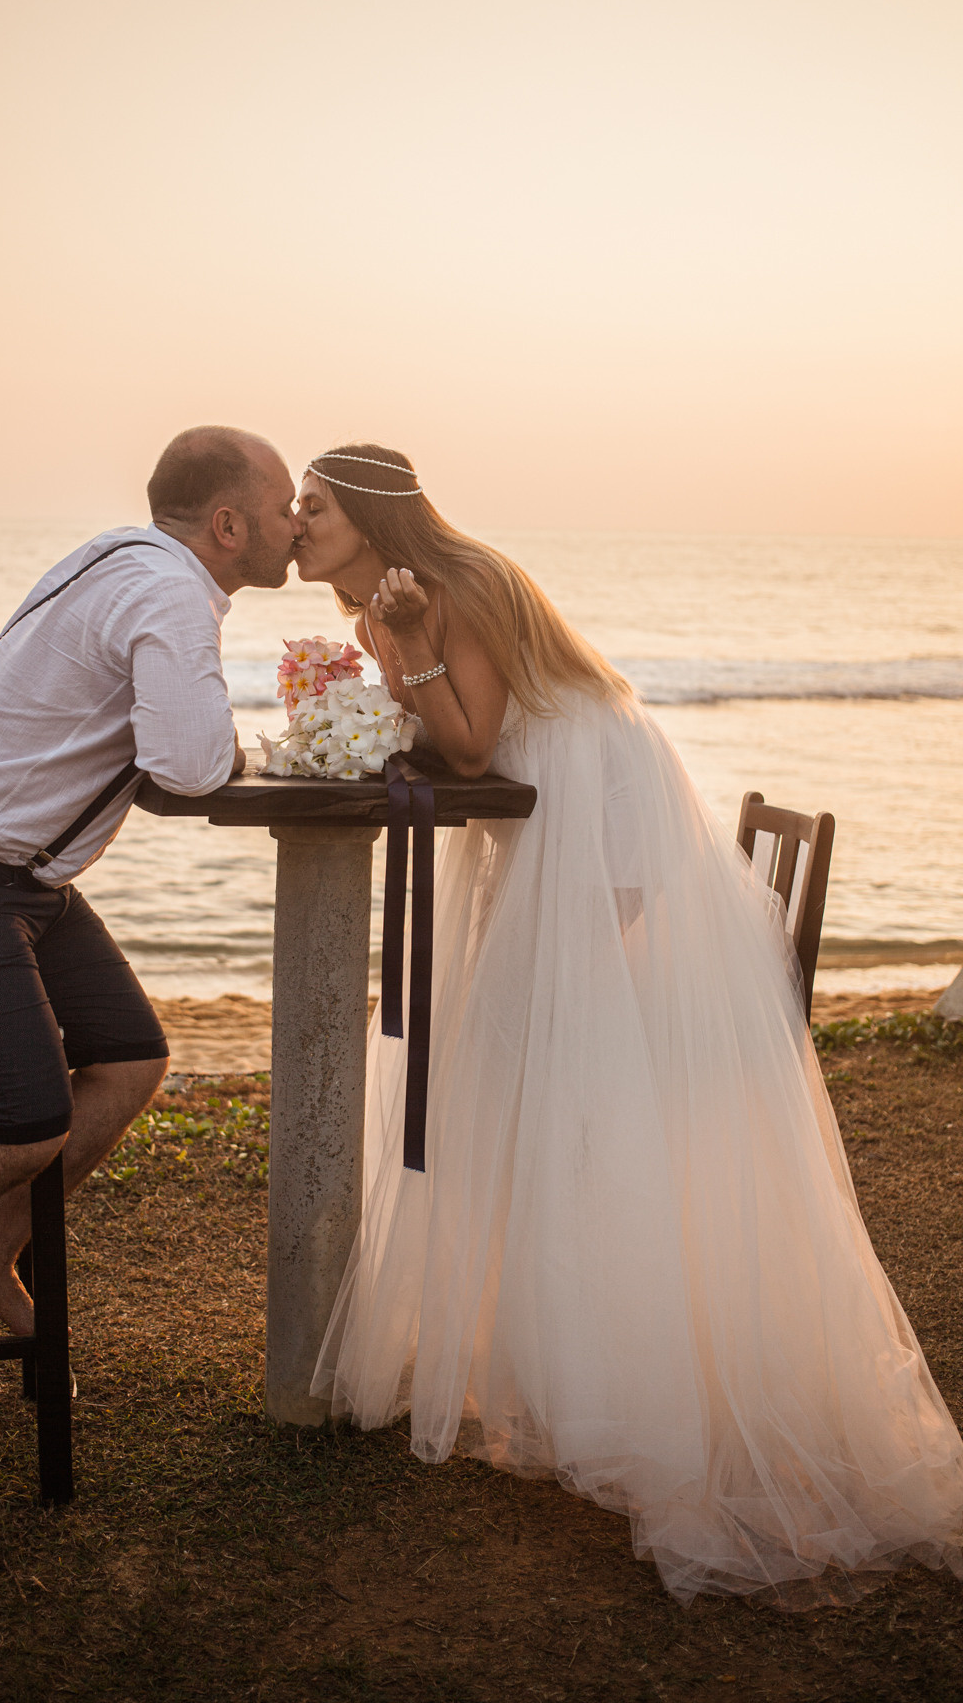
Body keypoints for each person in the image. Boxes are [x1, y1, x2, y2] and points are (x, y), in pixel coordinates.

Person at [294, 442, 963, 1608]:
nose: (298, 523)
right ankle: (560, 1367)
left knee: (555, 1072)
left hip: (601, 812)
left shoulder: (460, 584)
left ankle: (621, 1386)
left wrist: (401, 652)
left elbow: (468, 746)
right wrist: (374, 675)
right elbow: (450, 743)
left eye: (312, 506)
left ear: (367, 516)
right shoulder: (391, 608)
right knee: (508, 1071)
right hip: (545, 821)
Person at [0, 426, 299, 1367]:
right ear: (231, 523)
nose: (294, 525)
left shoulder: (118, 553)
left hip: (10, 877)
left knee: (127, 1062)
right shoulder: (169, 590)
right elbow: (189, 764)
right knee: (24, 1116)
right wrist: (236, 747)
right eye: (285, 508)